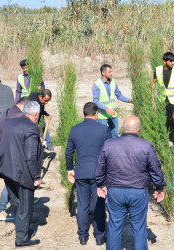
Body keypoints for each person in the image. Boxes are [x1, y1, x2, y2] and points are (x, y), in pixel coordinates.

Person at [95, 116, 166, 250]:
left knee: (114, 226)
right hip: (138, 191)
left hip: (115, 191)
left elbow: (99, 167)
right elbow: (155, 169)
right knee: (139, 228)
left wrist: (100, 184)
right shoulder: (146, 146)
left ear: (122, 128)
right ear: (138, 130)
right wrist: (159, 187)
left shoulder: (109, 144)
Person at [0, 101, 43, 247]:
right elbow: (31, 156)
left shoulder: (10, 122)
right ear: (35, 114)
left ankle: (24, 230)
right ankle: (22, 239)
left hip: (7, 169)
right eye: (37, 115)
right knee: (25, 207)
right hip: (23, 173)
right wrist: (36, 176)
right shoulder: (32, 128)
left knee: (16, 202)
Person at [65, 102, 111, 246]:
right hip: (98, 174)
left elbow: (69, 153)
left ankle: (83, 236)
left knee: (83, 205)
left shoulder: (75, 130)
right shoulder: (104, 130)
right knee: (98, 204)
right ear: (96, 114)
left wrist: (70, 170)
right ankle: (99, 236)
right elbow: (109, 153)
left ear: (83, 114)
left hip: (81, 172)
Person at [0, 97, 30, 221]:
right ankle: (0, 210)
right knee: (12, 180)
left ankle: (8, 208)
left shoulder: (7, 111)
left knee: (11, 179)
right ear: (24, 106)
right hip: (5, 150)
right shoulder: (18, 115)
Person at [152, 52, 174, 158]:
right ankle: (164, 145)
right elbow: (153, 84)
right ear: (164, 61)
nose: (172, 63)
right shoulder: (158, 70)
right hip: (162, 101)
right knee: (163, 122)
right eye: (170, 61)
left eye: (173, 60)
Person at [92, 64, 133, 138]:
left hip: (113, 115)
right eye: (110, 72)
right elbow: (95, 101)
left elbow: (119, 95)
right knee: (102, 136)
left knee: (115, 135)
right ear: (103, 73)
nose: (112, 73)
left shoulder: (113, 82)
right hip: (102, 115)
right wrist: (107, 109)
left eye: (112, 71)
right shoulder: (97, 84)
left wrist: (129, 100)